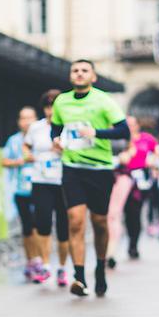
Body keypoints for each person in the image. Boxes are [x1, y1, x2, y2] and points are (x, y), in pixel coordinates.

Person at [50, 60, 128, 297]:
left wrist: (96, 132)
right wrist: (56, 140)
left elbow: (123, 131)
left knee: (99, 222)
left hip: (100, 169)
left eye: (84, 70)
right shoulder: (61, 101)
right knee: (75, 220)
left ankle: (100, 269)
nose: (79, 74)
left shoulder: (103, 100)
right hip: (72, 167)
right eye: (75, 70)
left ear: (93, 77)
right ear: (70, 76)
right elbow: (56, 128)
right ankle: (79, 277)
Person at [24, 89, 70, 286]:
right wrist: (29, 155)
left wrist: (64, 149)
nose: (51, 111)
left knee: (63, 227)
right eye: (47, 107)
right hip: (41, 180)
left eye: (54, 106)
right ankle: (45, 265)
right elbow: (26, 146)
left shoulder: (69, 127)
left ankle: (62, 267)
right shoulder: (36, 128)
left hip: (63, 181)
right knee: (42, 223)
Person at [116, 116, 159, 260]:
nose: (129, 127)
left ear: (137, 125)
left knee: (136, 212)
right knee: (124, 213)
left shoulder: (146, 138)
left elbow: (156, 152)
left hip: (140, 181)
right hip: (122, 178)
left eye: (132, 124)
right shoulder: (121, 140)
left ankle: (133, 243)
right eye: (127, 124)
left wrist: (153, 162)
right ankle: (125, 239)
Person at [2, 106, 39, 279]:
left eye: (30, 118)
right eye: (23, 118)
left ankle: (41, 260)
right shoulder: (14, 141)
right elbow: (4, 161)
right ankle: (30, 261)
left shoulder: (42, 138)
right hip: (21, 189)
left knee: (40, 226)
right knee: (27, 227)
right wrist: (18, 161)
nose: (26, 122)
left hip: (40, 187)